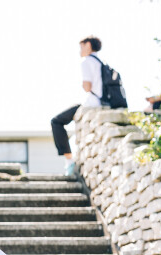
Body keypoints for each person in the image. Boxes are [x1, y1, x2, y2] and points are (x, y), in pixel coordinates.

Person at [51, 35, 104, 175]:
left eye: (81, 46)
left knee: (56, 121)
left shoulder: (86, 62)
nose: (79, 50)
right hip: (102, 102)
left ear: (88, 45)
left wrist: (83, 85)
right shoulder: (102, 63)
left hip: (91, 104)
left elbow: (87, 87)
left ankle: (69, 160)